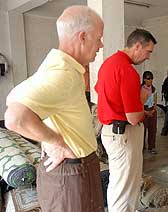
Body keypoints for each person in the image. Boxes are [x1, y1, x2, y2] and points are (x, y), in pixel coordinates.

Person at [4, 6, 104, 212]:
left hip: (70, 171)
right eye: (98, 38)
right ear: (83, 37)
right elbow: (15, 117)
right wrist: (55, 141)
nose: (100, 45)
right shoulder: (63, 74)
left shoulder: (58, 66)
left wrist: (48, 139)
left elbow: (12, 96)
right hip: (72, 173)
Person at [95, 28, 157, 212]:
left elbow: (100, 90)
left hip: (111, 131)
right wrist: (142, 100)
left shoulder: (109, 64)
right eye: (148, 52)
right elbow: (133, 117)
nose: (148, 57)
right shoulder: (128, 71)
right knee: (123, 185)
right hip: (124, 134)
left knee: (124, 181)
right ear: (137, 46)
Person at [142, 71, 158, 154]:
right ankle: (142, 147)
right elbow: (139, 103)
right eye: (148, 79)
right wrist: (145, 112)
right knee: (143, 130)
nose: (150, 80)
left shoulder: (153, 89)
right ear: (144, 79)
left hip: (152, 109)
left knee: (153, 129)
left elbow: (155, 100)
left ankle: (152, 147)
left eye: (151, 79)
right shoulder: (141, 89)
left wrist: (153, 109)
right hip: (144, 109)